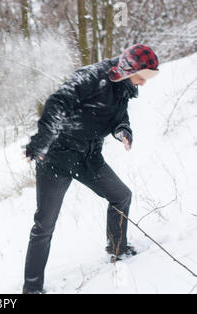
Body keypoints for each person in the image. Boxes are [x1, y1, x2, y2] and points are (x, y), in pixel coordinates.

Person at [23, 44, 159, 294]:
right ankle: (32, 288)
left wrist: (122, 130)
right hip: (57, 159)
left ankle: (117, 248)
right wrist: (43, 140)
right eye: (143, 77)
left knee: (121, 196)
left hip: (89, 157)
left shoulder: (124, 87)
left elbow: (119, 116)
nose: (144, 83)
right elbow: (58, 102)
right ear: (130, 69)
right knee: (44, 225)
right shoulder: (92, 76)